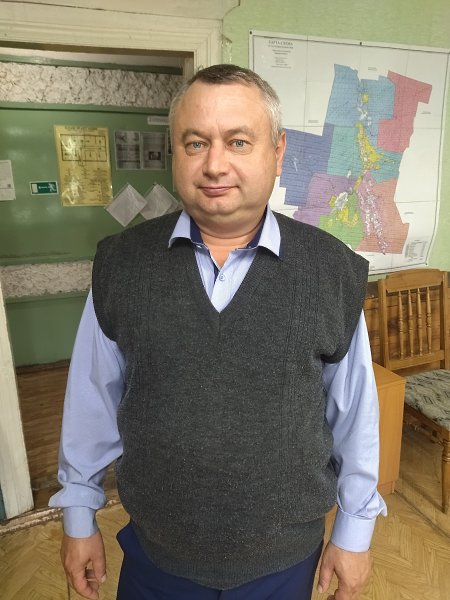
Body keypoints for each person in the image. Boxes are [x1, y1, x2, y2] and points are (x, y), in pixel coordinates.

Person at [50, 64, 386, 600]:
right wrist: (78, 514)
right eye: (195, 143)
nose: (214, 164)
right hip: (157, 557)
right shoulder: (123, 265)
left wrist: (354, 532)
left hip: (283, 561)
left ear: (277, 151)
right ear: (175, 153)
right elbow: (91, 401)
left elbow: (355, 416)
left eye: (238, 141)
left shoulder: (329, 270)